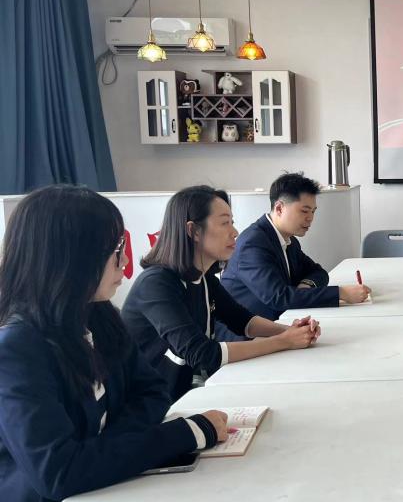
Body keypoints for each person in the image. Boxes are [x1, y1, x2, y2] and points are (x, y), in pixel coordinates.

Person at [0, 186, 230, 502]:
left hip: (112, 486)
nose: (125, 260)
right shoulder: (15, 351)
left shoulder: (100, 316)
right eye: (115, 249)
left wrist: (103, 450)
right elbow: (59, 473)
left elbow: (153, 392)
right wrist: (188, 433)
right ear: (69, 257)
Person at [122, 185, 321, 400]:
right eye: (225, 223)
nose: (234, 232)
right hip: (151, 402)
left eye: (232, 222)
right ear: (193, 231)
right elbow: (202, 353)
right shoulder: (156, 284)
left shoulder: (204, 277)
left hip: (183, 390)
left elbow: (242, 321)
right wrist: (284, 341)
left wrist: (291, 331)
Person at [220, 173, 370, 337]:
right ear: (279, 208)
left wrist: (305, 285)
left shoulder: (289, 240)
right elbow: (279, 298)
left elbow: (319, 272)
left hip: (280, 325)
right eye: (304, 211)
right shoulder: (253, 244)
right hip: (246, 337)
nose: (310, 218)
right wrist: (341, 293)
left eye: (313, 211)